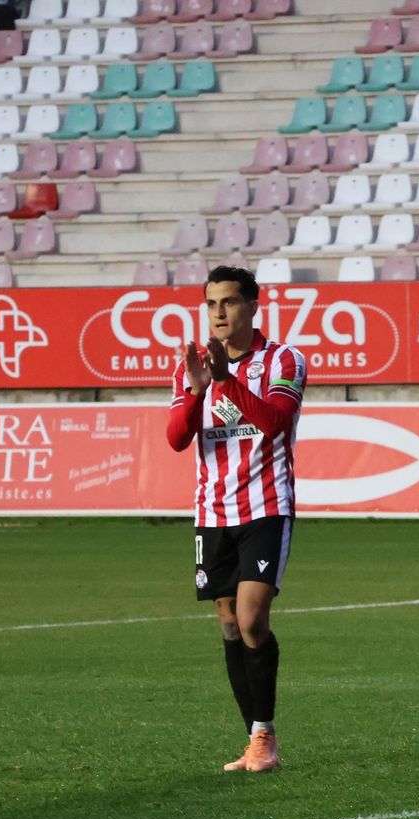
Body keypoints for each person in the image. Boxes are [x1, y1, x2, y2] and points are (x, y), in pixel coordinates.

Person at [167, 265, 309, 773]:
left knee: (251, 619)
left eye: (228, 302)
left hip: (267, 506)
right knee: (228, 624)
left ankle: (264, 735)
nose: (219, 313)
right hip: (212, 512)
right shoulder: (193, 365)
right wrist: (200, 389)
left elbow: (272, 423)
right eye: (211, 304)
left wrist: (225, 384)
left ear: (253, 305)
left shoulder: (284, 360)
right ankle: (256, 739)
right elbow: (177, 437)